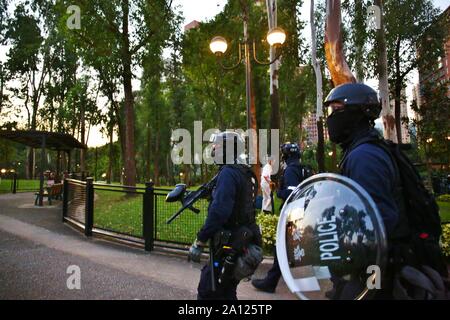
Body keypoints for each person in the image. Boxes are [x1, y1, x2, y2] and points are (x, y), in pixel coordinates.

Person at [324, 83, 447, 299]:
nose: (331, 117)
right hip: (381, 265)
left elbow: (379, 222)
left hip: (379, 269)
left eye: (336, 109)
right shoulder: (366, 149)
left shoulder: (364, 157)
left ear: (356, 113)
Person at [188, 131, 262, 300]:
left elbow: (219, 212)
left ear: (228, 149)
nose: (214, 149)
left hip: (228, 246)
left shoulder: (228, 173)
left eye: (217, 145)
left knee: (209, 290)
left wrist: (200, 240)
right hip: (240, 242)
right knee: (227, 291)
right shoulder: (243, 171)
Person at [251, 142, 311, 293]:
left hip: (293, 215)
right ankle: (336, 282)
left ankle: (271, 282)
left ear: (286, 155)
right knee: (296, 247)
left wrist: (278, 192)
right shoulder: (305, 169)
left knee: (282, 246)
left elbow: (292, 194)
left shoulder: (290, 170)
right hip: (307, 214)